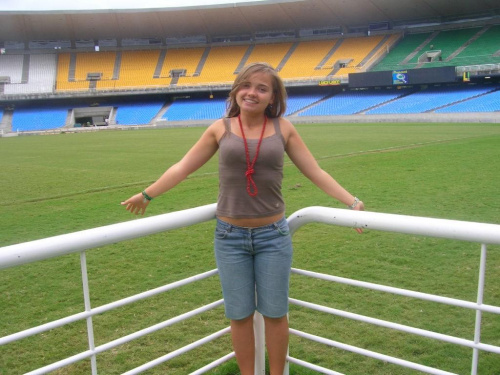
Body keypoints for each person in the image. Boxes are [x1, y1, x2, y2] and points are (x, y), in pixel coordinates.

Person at [121, 62, 364, 375]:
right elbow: (183, 167)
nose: (252, 93)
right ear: (236, 91)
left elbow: (314, 171)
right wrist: (148, 194)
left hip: (273, 237)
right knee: (239, 315)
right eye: (246, 86)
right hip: (230, 238)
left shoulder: (284, 128)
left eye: (262, 88)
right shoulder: (219, 128)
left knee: (276, 313)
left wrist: (352, 201)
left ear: (273, 97)